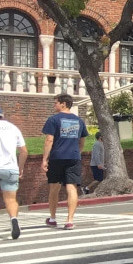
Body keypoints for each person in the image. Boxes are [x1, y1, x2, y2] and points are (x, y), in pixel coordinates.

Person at [41, 93, 88, 230]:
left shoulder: (53, 120)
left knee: (54, 187)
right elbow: (82, 141)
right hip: (73, 157)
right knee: (71, 187)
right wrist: (77, 153)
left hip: (57, 157)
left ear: (63, 104)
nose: (54, 105)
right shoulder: (79, 121)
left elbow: (49, 140)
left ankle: (53, 218)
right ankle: (69, 220)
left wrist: (44, 159)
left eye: (56, 102)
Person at [0, 105, 26, 240]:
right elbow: (24, 151)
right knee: (10, 199)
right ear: (2, 115)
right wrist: (20, 168)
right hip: (10, 168)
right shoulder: (13, 128)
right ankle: (14, 220)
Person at [85, 130, 105, 194]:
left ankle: (97, 191)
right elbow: (96, 154)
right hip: (95, 165)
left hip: (100, 164)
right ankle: (86, 188)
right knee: (99, 179)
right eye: (103, 136)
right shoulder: (97, 144)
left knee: (101, 179)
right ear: (100, 137)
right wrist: (99, 164)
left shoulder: (101, 143)